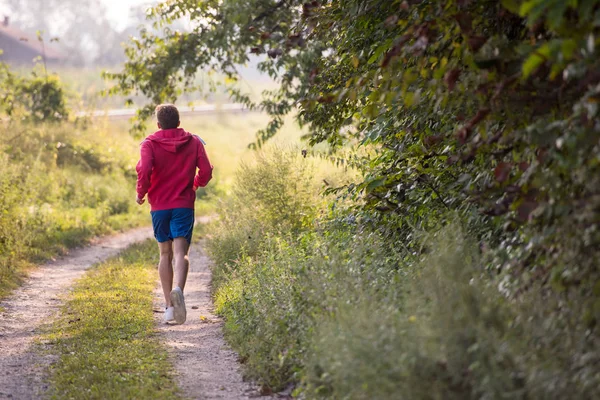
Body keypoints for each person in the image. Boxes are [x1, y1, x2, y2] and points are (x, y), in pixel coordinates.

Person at [135, 104, 212, 324]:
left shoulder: (150, 143)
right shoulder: (194, 141)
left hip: (159, 206)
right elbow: (206, 171)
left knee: (164, 254)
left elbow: (144, 168)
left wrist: (142, 192)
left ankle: (169, 306)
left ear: (159, 125)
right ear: (179, 123)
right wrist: (196, 184)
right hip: (183, 205)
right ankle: (179, 288)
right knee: (181, 253)